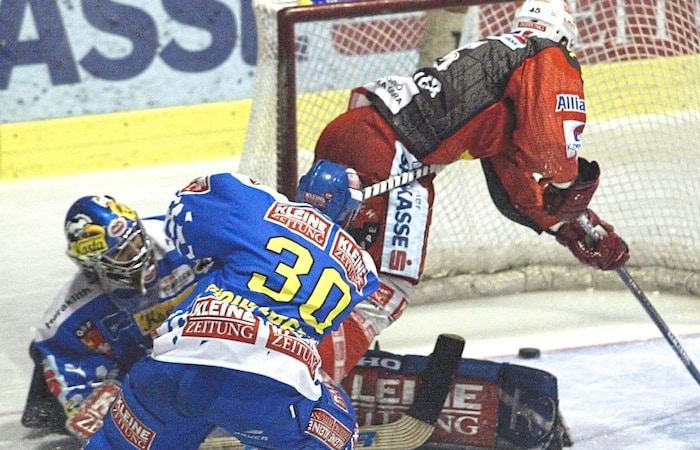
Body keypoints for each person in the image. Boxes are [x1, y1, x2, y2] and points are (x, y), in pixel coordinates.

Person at [313, 0, 631, 383]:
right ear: (565, 35)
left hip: (350, 132)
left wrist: (570, 226)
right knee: (384, 290)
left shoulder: (494, 63)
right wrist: (570, 188)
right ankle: (305, 393)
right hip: (392, 156)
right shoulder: (547, 53)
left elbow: (516, 186)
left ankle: (266, 366)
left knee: (320, 268)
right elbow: (551, 155)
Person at [85, 162, 380, 449]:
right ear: (351, 213)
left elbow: (180, 214)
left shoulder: (256, 202)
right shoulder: (362, 270)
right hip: (265, 390)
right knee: (338, 427)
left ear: (301, 189)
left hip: (175, 365)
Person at [23, 195, 213, 441]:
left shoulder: (187, 241)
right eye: (123, 252)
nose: (138, 252)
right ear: (93, 263)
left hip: (208, 351)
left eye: (136, 239)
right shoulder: (69, 318)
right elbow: (85, 404)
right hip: (142, 377)